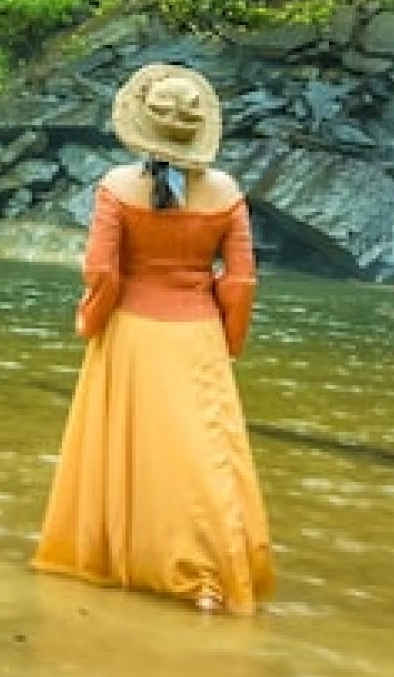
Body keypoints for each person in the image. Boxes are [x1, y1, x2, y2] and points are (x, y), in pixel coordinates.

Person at [31, 62, 274, 615]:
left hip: (130, 333)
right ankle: (211, 571)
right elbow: (241, 281)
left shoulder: (117, 188)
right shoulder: (227, 192)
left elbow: (101, 271)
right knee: (202, 453)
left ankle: (122, 557)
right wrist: (228, 340)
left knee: (129, 451)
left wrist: (90, 323)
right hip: (197, 335)